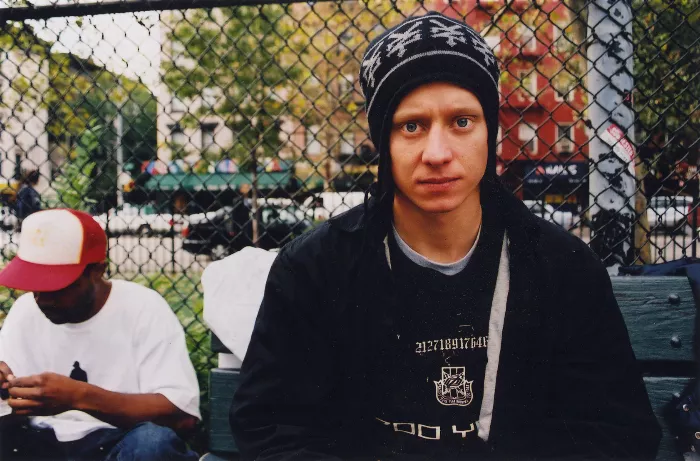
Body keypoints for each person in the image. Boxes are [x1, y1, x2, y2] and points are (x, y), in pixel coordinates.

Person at [230, 12, 661, 461]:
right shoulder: (316, 267)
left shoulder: (561, 267)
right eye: (411, 125)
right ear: (384, 140)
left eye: (461, 122)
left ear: (489, 130)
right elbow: (270, 426)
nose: (437, 154)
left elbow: (617, 433)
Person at [0, 208, 201, 460]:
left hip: (117, 441)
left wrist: (79, 396)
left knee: (152, 444)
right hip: (42, 442)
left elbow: (182, 418)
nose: (42, 298)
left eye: (56, 287)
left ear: (98, 270)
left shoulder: (142, 307)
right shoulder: (26, 311)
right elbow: (9, 403)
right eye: (35, 285)